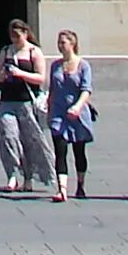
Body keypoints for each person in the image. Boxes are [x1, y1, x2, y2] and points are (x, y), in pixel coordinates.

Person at [0, 18, 54, 193]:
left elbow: (41, 78)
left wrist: (21, 73)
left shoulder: (34, 52)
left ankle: (28, 176)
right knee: (8, 136)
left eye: (17, 35)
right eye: (12, 35)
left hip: (27, 102)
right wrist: (4, 73)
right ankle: (12, 174)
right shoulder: (6, 51)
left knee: (30, 141)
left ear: (25, 34)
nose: (14, 39)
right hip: (7, 100)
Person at [46, 30, 95, 201]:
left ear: (72, 44)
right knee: (60, 151)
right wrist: (48, 106)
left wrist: (78, 106)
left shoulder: (83, 66)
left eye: (63, 42)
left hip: (77, 115)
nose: (60, 46)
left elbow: (86, 89)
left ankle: (80, 185)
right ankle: (62, 189)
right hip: (58, 113)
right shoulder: (55, 65)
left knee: (79, 151)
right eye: (59, 42)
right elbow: (52, 88)